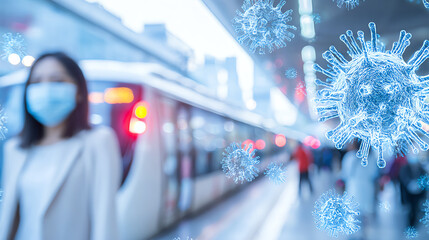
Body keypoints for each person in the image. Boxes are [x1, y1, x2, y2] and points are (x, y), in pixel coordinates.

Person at [0, 52, 122, 240]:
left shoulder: (98, 142)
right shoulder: (15, 149)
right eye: (36, 81)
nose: (45, 88)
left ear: (79, 91)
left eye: (57, 80)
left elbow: (104, 221)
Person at [341, 140, 379, 240]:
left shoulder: (350, 157)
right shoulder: (372, 157)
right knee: (364, 215)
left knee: (353, 213)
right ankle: (362, 235)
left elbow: (345, 174)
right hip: (367, 189)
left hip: (353, 188)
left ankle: (353, 235)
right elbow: (374, 174)